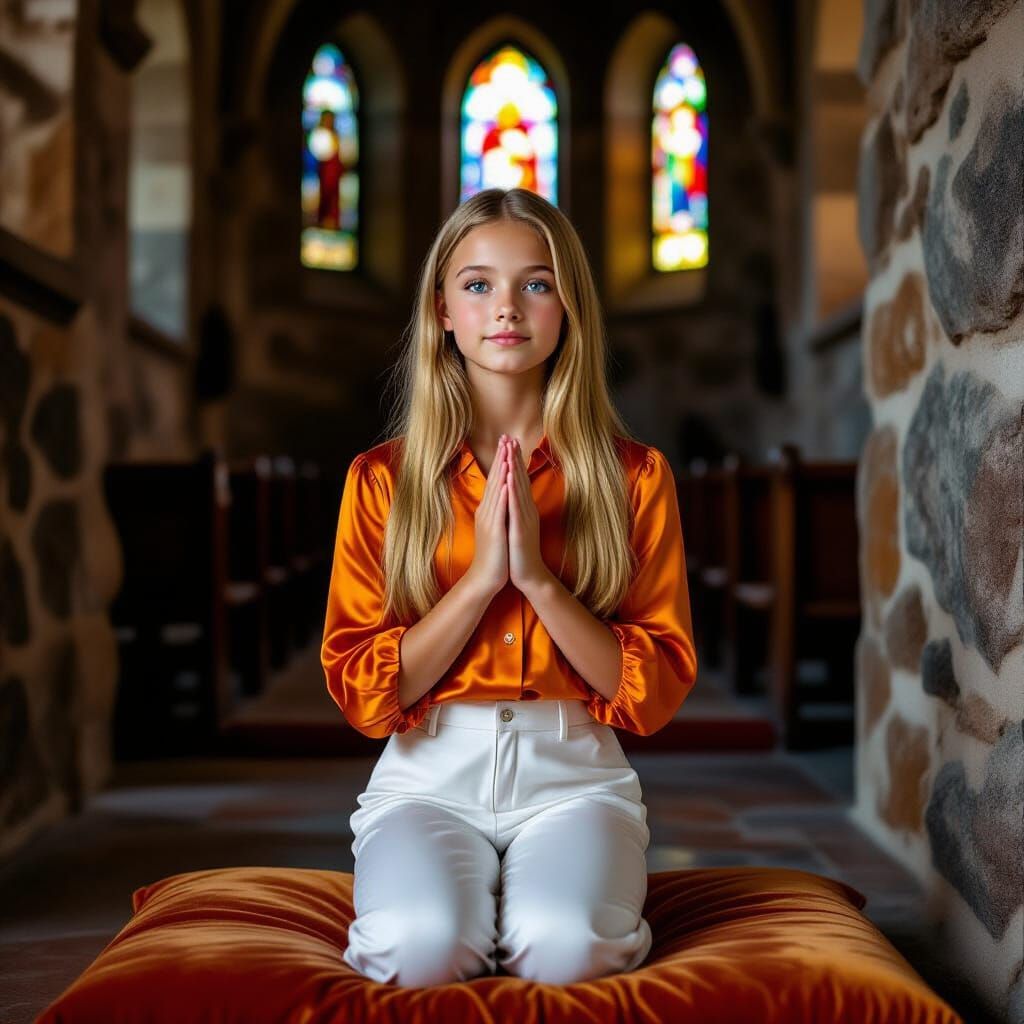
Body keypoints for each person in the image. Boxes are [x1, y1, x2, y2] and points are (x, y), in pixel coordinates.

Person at [321, 187, 698, 988]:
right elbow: (362, 692)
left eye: (536, 283)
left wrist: (536, 579)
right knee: (420, 947)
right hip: (427, 777)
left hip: (574, 778)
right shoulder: (382, 481)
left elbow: (654, 691)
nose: (507, 309)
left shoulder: (634, 478)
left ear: (569, 308)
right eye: (477, 283)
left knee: (570, 948)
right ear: (443, 311)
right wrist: (482, 580)